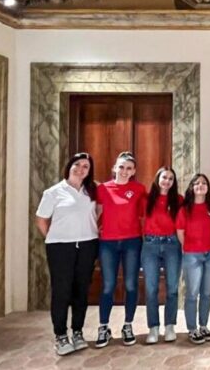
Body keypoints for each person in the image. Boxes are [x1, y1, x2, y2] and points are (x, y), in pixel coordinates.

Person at [35, 152, 99, 356]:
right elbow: (41, 220)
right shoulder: (53, 192)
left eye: (86, 166)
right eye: (77, 165)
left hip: (88, 244)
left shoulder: (92, 191)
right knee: (62, 291)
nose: (81, 169)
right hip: (60, 247)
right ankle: (61, 335)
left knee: (81, 289)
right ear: (69, 166)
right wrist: (56, 237)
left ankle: (78, 331)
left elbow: (98, 213)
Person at [95, 151, 147, 348]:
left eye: (129, 168)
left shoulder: (139, 189)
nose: (125, 171)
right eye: (122, 167)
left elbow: (144, 216)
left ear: (134, 171)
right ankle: (103, 326)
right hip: (108, 242)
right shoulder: (103, 189)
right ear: (114, 168)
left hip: (132, 242)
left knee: (131, 285)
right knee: (108, 285)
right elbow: (95, 212)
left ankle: (128, 325)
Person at [177, 174, 210, 345]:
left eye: (204, 183)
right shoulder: (184, 209)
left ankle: (203, 325)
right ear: (192, 187)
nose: (201, 186)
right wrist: (189, 247)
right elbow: (180, 231)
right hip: (192, 255)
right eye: (197, 183)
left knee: (207, 293)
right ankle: (192, 328)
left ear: (208, 187)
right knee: (192, 293)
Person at [142, 167, 183, 344]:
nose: (167, 181)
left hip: (172, 245)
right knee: (151, 288)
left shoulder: (179, 200)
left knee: (172, 288)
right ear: (158, 178)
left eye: (171, 179)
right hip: (150, 245)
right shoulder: (146, 199)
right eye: (164, 177)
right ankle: (153, 327)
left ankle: (169, 326)